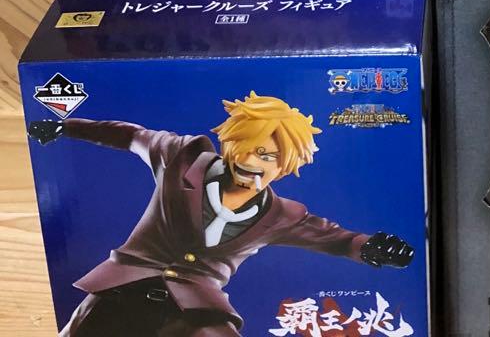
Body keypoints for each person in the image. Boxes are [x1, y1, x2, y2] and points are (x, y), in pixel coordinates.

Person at [27, 92, 413, 336]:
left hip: (195, 311)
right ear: (230, 143)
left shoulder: (280, 214)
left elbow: (334, 238)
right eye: (247, 147)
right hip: (123, 289)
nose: (252, 161)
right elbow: (130, 135)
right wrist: (66, 128)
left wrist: (373, 248)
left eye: (268, 156)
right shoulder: (181, 157)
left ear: (285, 166)